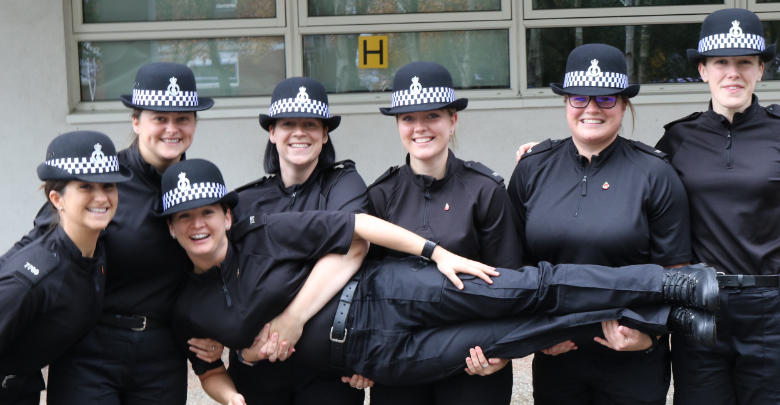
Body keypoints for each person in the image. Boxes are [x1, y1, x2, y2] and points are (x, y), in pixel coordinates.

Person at [160, 158, 719, 405]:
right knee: (511, 335)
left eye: (206, 212)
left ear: (227, 215)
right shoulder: (189, 304)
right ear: (172, 230)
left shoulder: (269, 233)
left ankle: (668, 285)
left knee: (528, 290)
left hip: (387, 296)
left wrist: (437, 253)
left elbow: (359, 229)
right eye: (184, 218)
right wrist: (232, 396)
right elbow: (208, 370)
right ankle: (667, 316)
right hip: (382, 360)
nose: (198, 224)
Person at [0, 62, 223, 404]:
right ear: (136, 122)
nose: (171, 128)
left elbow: (209, 271)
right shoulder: (99, 182)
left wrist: (214, 331)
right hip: (91, 349)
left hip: (162, 353)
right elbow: (44, 249)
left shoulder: (200, 188)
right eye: (159, 118)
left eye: (183, 118)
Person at [508, 43, 694, 405]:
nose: (591, 108)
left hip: (632, 355)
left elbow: (677, 272)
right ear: (565, 103)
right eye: (579, 98)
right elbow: (511, 262)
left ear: (624, 105)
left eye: (606, 99)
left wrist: (651, 334)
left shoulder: (654, 172)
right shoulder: (533, 168)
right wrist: (534, 332)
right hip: (556, 351)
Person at [366, 61, 522, 405]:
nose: (420, 128)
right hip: (399, 358)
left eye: (432, 116)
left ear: (453, 121)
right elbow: (366, 286)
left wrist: (504, 350)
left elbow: (510, 279)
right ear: (397, 125)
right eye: (408, 118)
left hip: (473, 358)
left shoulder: (485, 191)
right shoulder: (379, 195)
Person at [655, 8, 780, 404]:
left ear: (761, 69)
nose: (733, 73)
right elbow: (628, 181)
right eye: (721, 62)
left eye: (744, 62)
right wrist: (548, 155)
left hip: (771, 307)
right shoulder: (677, 139)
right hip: (700, 304)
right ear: (703, 70)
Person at [228, 76, 369, 404]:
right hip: (260, 364)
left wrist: (292, 320)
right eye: (288, 123)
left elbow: (355, 245)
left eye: (310, 124)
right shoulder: (245, 201)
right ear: (272, 132)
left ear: (324, 133)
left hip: (329, 368)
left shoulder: (343, 185)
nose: (300, 132)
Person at [0, 130, 132, 404]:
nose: (101, 197)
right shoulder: (33, 280)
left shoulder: (96, 247)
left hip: (23, 387)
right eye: (85, 186)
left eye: (109, 185)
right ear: (56, 200)